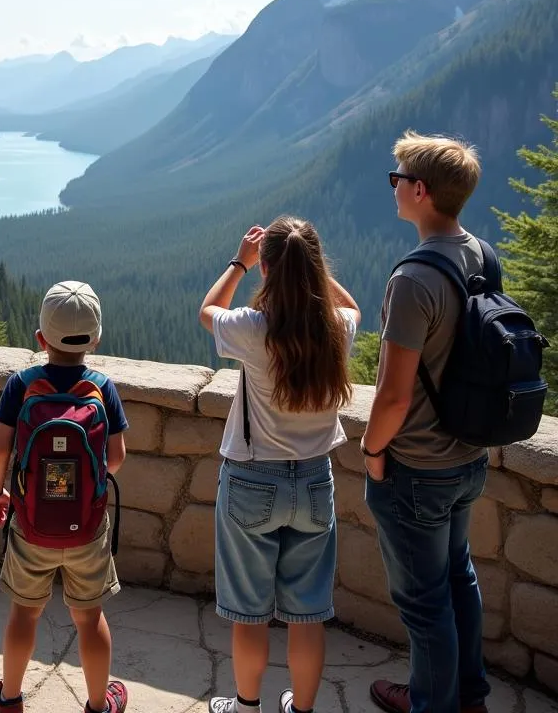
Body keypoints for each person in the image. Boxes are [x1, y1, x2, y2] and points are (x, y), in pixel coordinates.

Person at [199, 217, 360, 713]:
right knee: (307, 616)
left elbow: (209, 310)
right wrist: (307, 267)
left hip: (251, 478)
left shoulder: (253, 330)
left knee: (248, 615)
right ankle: (303, 709)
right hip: (314, 480)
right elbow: (351, 305)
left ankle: (247, 707)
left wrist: (239, 263)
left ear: (266, 270)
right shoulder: (337, 329)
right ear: (313, 269)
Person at [361, 132, 489, 713]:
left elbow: (392, 395)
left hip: (417, 468)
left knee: (423, 601)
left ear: (420, 191)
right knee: (459, 578)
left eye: (397, 180)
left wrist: (371, 452)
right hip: (469, 458)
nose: (392, 188)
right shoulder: (482, 255)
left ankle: (429, 704)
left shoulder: (412, 280)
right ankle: (467, 695)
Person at [0, 281, 130, 713]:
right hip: (87, 526)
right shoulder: (103, 387)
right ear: (95, 339)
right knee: (89, 616)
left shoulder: (21, 384)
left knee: (24, 612)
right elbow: (115, 458)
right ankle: (99, 704)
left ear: (40, 338)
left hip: (29, 523)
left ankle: (8, 698)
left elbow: (0, 450)